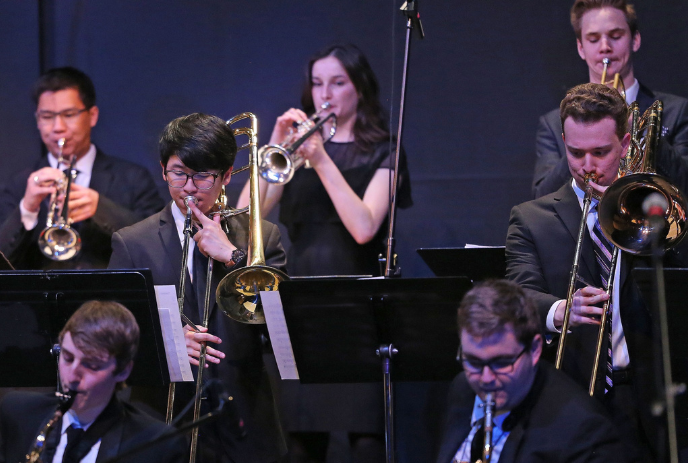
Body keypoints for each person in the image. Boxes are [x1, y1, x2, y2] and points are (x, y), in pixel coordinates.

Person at [237, 44, 412, 461]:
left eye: (337, 82)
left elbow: (364, 225)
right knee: (300, 442)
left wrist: (321, 159)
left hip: (358, 305)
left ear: (360, 88)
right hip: (301, 303)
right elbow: (246, 219)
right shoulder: (294, 152)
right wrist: (274, 149)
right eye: (317, 83)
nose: (325, 95)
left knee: (365, 440)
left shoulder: (386, 149)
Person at [507, 83, 688, 461]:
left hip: (650, 400)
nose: (587, 165)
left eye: (600, 152)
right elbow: (519, 294)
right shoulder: (530, 218)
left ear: (624, 144)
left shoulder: (654, 208)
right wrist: (561, 310)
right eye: (575, 152)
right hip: (572, 399)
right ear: (562, 142)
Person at [108, 113, 287, 463]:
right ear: (163, 170)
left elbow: (279, 327)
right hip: (160, 423)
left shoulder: (261, 237)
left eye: (203, 176)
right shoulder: (132, 242)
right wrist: (169, 343)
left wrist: (233, 257)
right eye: (178, 174)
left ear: (225, 174)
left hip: (245, 424)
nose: (189, 188)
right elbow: (114, 335)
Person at [436, 279, 627, 463]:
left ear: (535, 349)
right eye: (474, 362)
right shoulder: (463, 387)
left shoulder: (582, 430)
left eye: (501, 362)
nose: (485, 379)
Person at [0, 66, 165, 270]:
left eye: (69, 114)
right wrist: (27, 209)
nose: (57, 127)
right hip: (41, 300)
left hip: (110, 298)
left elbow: (159, 245)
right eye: (47, 117)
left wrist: (101, 208)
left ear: (92, 115)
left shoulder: (133, 177)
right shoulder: (20, 184)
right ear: (37, 120)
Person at [532, 0, 688, 198]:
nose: (605, 47)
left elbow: (685, 184)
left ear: (635, 40)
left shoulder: (676, 111)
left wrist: (643, 129)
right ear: (580, 47)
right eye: (593, 39)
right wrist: (578, 141)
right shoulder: (554, 123)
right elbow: (542, 197)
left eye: (615, 36)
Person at [0, 300, 187, 463]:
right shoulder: (17, 413)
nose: (71, 377)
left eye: (91, 365)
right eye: (67, 358)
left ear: (123, 370)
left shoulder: (156, 445)